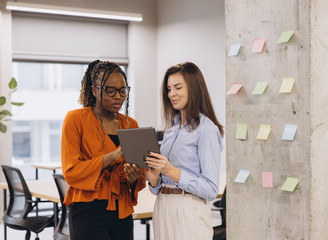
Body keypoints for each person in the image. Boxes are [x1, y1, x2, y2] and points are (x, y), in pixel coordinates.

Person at [61, 60, 146, 240]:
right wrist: (113, 156)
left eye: (123, 90)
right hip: (87, 210)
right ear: (94, 90)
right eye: (110, 90)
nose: (118, 96)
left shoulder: (131, 125)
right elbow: (71, 172)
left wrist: (133, 179)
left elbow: (140, 177)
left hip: (121, 210)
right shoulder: (75, 119)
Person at [145, 62, 224, 240]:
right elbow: (160, 185)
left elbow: (211, 189)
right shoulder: (171, 129)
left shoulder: (206, 129)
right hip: (163, 206)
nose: (171, 94)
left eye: (178, 87)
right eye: (169, 89)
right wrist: (155, 180)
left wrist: (171, 170)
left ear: (194, 88)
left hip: (189, 209)